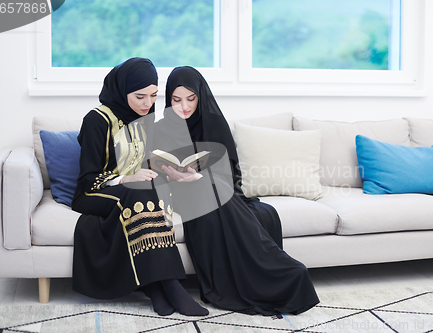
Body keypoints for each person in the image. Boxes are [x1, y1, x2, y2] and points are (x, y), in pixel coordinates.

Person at [152, 66, 320, 316]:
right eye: (176, 100)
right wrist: (174, 174)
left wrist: (199, 176)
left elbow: (230, 175)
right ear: (169, 99)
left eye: (190, 99)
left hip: (216, 190)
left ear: (200, 96)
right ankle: (279, 270)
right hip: (182, 196)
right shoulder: (162, 128)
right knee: (211, 192)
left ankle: (277, 273)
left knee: (230, 196)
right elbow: (157, 170)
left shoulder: (214, 122)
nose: (184, 107)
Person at [71, 58, 208, 317]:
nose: (148, 104)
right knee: (137, 194)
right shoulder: (97, 120)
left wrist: (174, 173)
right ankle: (169, 285)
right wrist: (125, 179)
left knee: (153, 191)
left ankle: (154, 286)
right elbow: (89, 178)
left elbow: (150, 164)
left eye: (154, 96)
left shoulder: (145, 120)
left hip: (133, 191)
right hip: (92, 192)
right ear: (122, 92)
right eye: (140, 96)